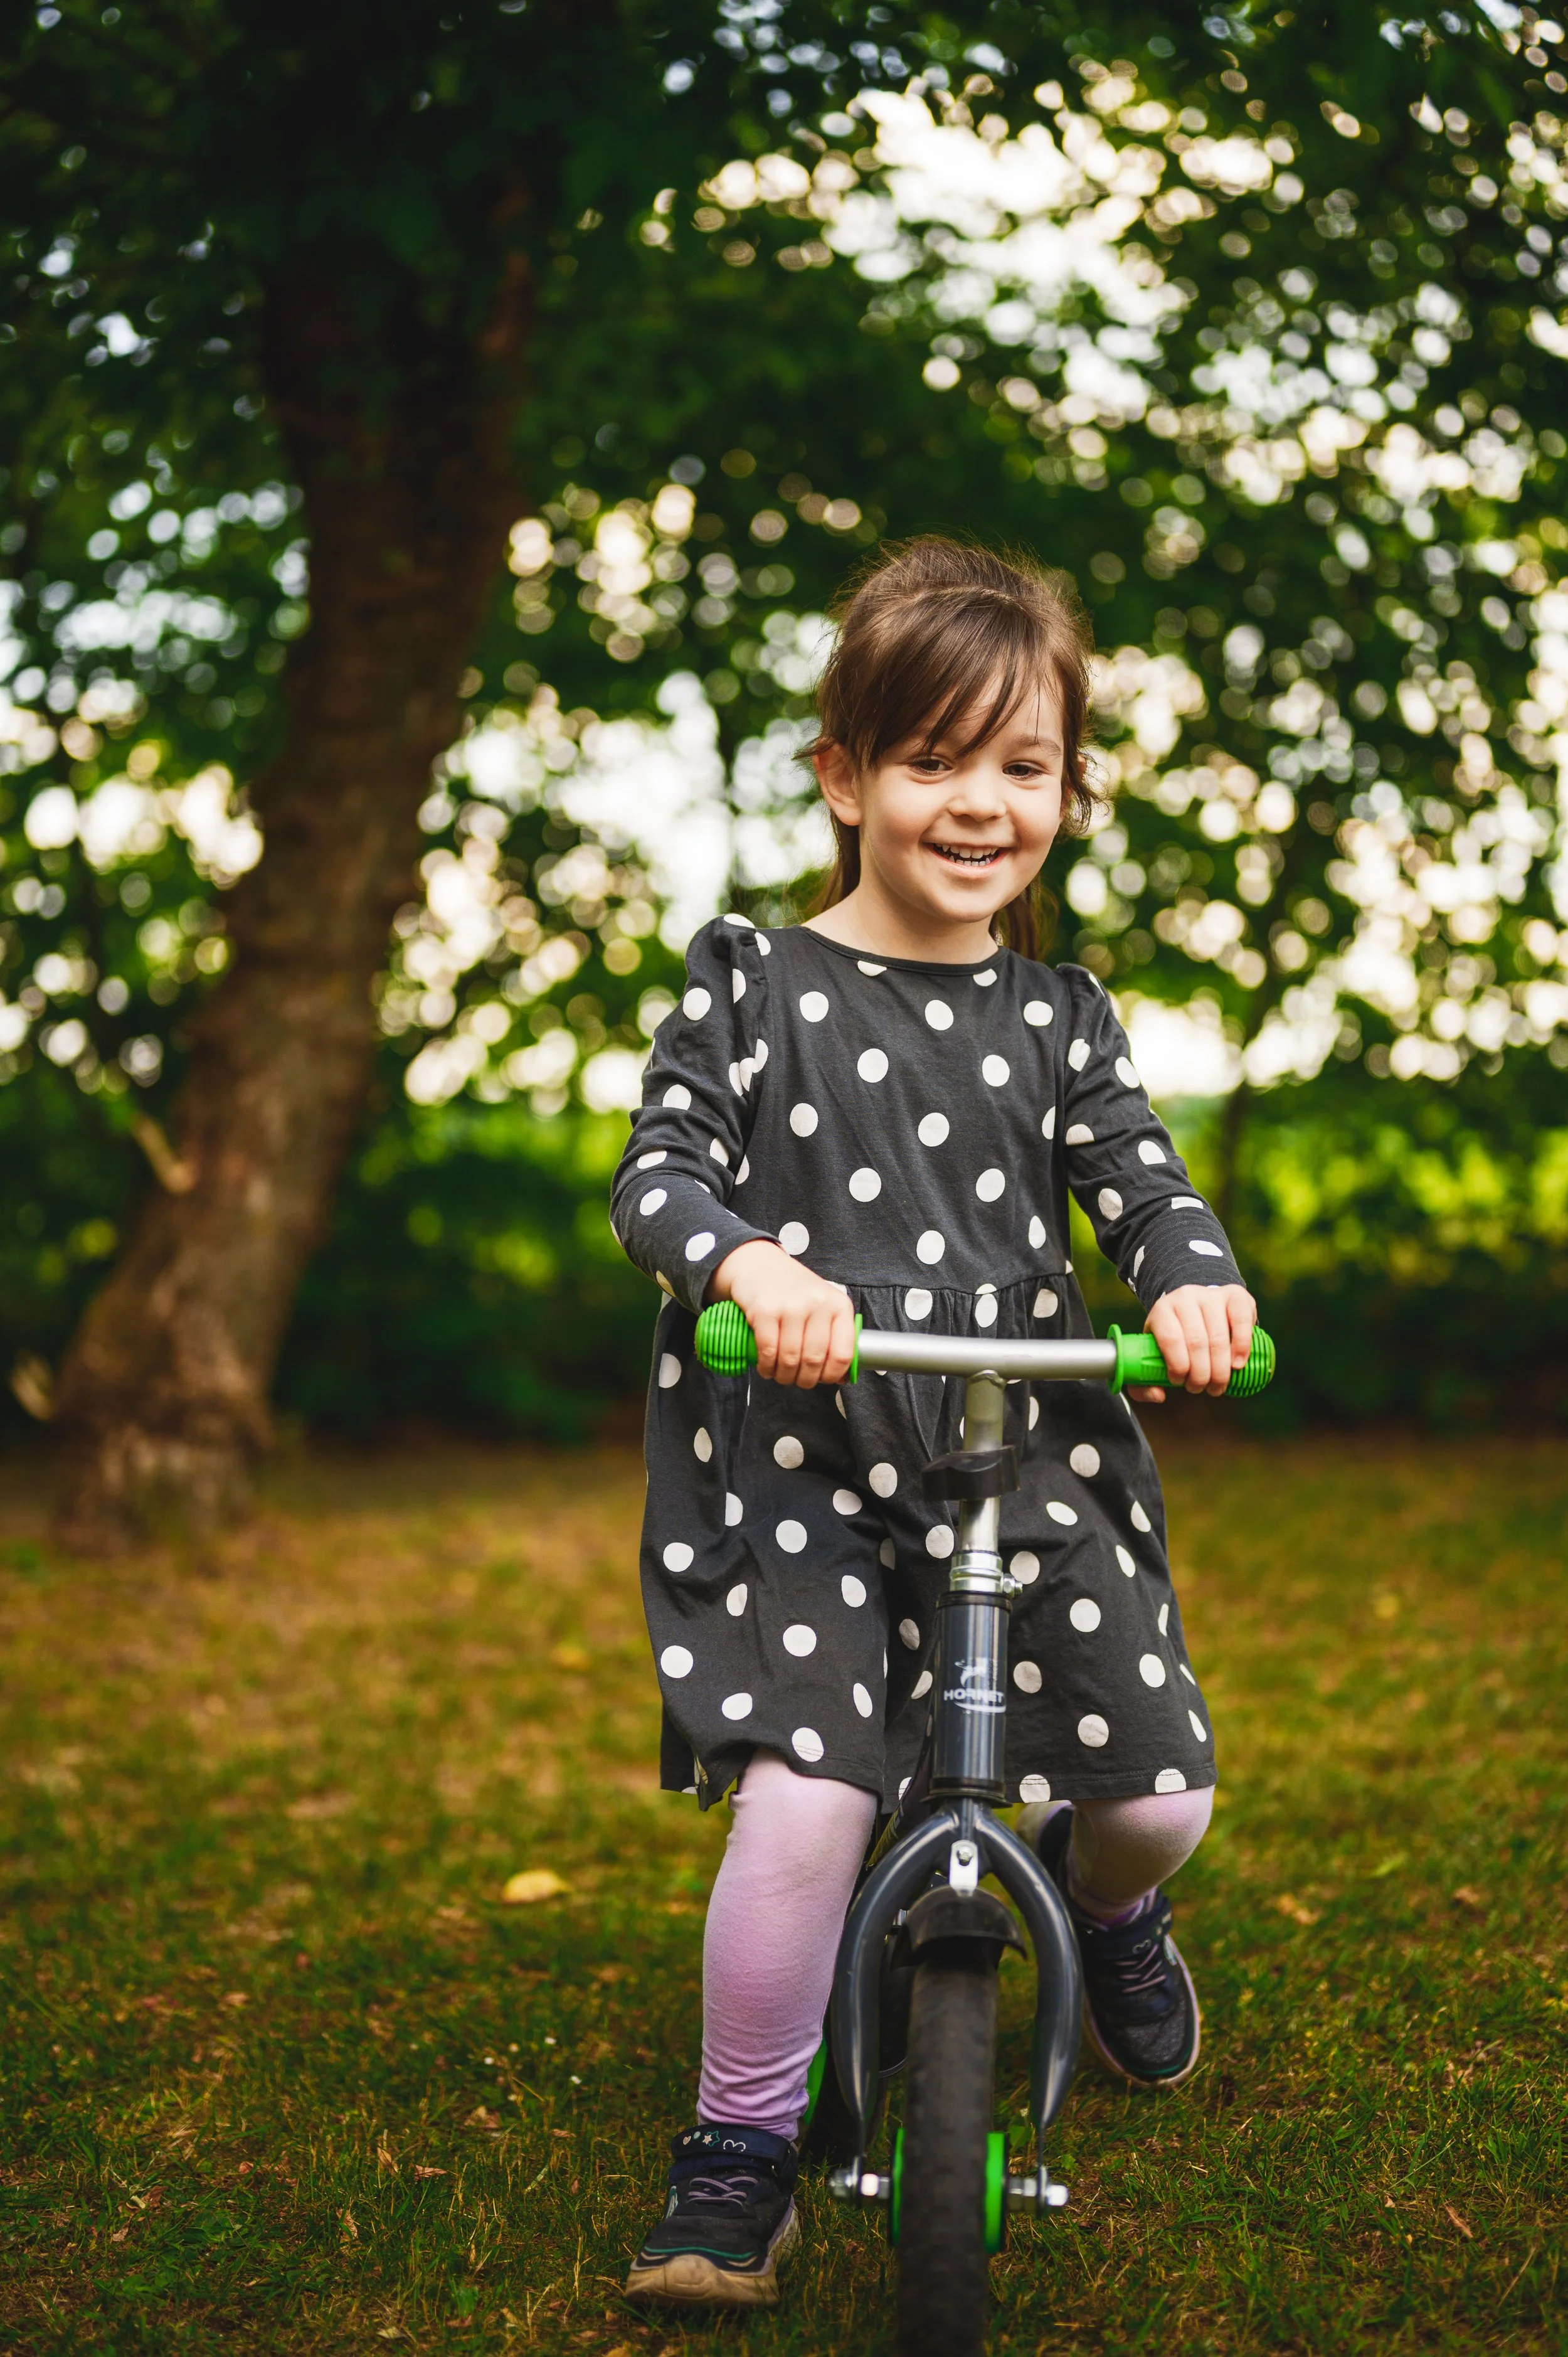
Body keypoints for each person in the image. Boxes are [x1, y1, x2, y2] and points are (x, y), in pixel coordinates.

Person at [610, 538, 1256, 2307]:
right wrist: (747, 1257)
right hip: (809, 1459)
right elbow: (657, 1174)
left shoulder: (1062, 1017)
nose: (981, 802)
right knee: (806, 1807)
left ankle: (1108, 1913)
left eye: (1023, 764)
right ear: (845, 778)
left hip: (1020, 1447)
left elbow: (1144, 1192)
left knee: (1156, 1799)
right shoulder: (753, 980)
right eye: (934, 759)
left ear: (1067, 789)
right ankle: (739, 2153)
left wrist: (1193, 1286)